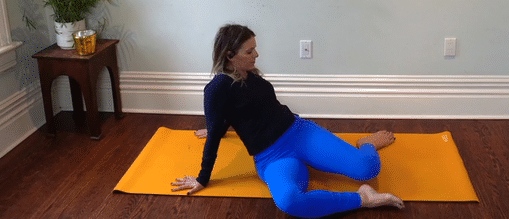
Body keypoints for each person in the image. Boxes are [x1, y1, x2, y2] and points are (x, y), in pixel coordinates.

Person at [171, 24, 404, 218]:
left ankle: (367, 143)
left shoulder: (250, 74)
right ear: (230, 56)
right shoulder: (216, 89)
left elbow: (242, 111)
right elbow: (216, 130)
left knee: (368, 168)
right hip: (273, 158)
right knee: (290, 201)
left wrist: (220, 127)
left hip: (299, 133)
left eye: (255, 49)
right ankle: (364, 198)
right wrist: (202, 178)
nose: (256, 55)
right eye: (250, 51)